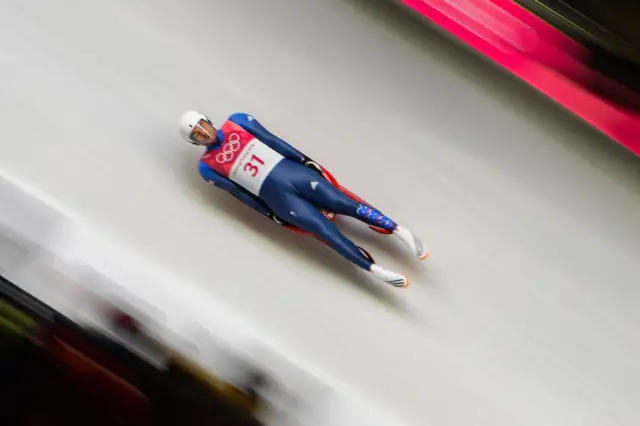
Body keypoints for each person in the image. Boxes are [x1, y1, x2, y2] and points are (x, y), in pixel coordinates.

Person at [179, 111, 428, 288]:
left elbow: (272, 141)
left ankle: (397, 230)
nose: (205, 134)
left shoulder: (238, 121)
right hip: (279, 200)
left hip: (293, 173)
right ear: (195, 142)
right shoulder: (207, 168)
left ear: (208, 121)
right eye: (199, 135)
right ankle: (373, 269)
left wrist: (304, 160)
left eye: (203, 127)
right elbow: (240, 194)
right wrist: (269, 213)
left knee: (343, 203)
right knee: (325, 232)